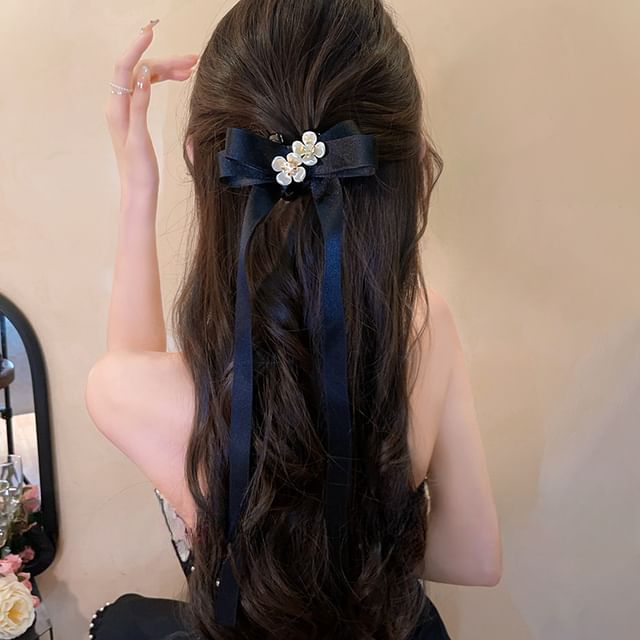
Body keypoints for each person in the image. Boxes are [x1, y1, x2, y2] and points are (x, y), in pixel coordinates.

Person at [85, 1, 502, 638]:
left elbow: (131, 365)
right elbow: (473, 557)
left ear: (200, 160)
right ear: (415, 162)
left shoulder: (122, 391)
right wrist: (353, 543)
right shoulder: (427, 326)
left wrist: (138, 184)